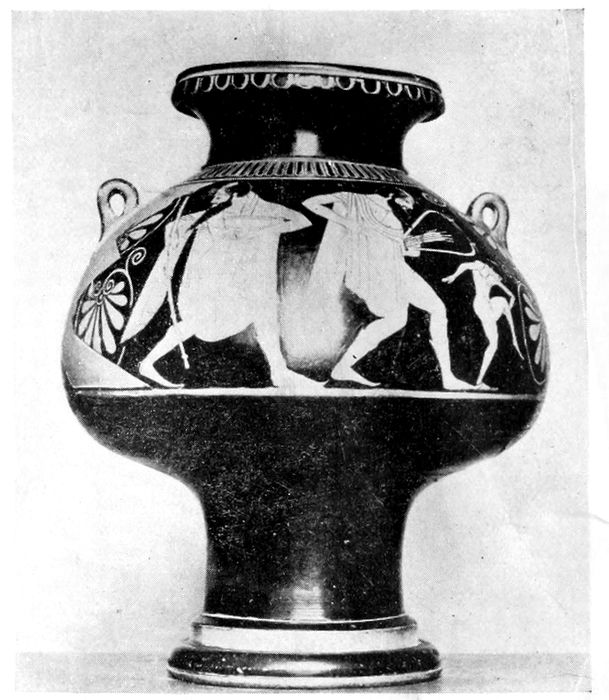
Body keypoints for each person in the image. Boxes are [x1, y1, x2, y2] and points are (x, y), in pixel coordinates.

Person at [135, 183, 320, 390]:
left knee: (262, 313)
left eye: (222, 197)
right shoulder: (217, 215)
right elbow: (178, 226)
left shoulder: (261, 211)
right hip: (211, 287)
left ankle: (278, 371)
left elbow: (301, 220)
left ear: (239, 196)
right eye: (217, 199)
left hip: (235, 286)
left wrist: (260, 226)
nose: (217, 202)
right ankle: (148, 362)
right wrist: (173, 250)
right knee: (197, 322)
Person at [302, 189, 475, 389]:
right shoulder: (357, 199)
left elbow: (395, 248)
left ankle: (448, 378)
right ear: (394, 196)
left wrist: (420, 240)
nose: (408, 208)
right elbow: (311, 202)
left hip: (398, 269)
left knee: (437, 309)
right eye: (406, 203)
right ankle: (344, 367)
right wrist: (347, 222)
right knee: (396, 319)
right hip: (377, 273)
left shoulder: (393, 216)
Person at [442, 260, 522, 388]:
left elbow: (511, 295)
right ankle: (514, 340)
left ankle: (479, 382)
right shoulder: (481, 266)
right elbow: (465, 265)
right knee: (502, 302)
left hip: (488, 307)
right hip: (481, 304)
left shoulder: (494, 276)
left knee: (494, 344)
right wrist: (454, 276)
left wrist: (509, 303)